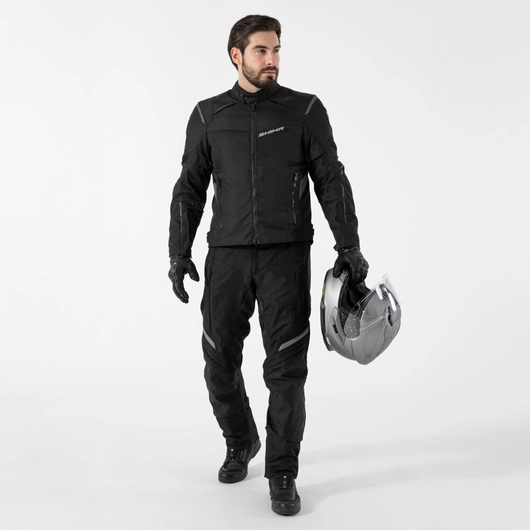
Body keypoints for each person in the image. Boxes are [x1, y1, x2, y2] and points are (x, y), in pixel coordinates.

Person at [168, 14, 368, 516]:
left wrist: (349, 245)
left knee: (286, 369)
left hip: (286, 258)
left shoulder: (304, 110)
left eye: (276, 49)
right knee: (218, 361)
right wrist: (178, 252)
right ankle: (241, 439)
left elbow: (331, 179)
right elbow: (189, 189)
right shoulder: (208, 115)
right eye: (261, 50)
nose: (272, 59)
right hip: (227, 257)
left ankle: (282, 470)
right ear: (236, 55)